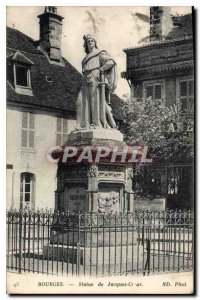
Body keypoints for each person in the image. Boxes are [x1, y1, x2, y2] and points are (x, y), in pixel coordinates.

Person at [75, 34, 118, 130]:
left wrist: (101, 69)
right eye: (88, 41)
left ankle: (95, 123)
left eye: (92, 41)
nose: (90, 42)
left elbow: (110, 62)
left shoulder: (99, 53)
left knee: (95, 101)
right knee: (80, 101)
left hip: (94, 77)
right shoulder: (86, 58)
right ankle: (82, 124)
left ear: (95, 42)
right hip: (85, 79)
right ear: (86, 44)